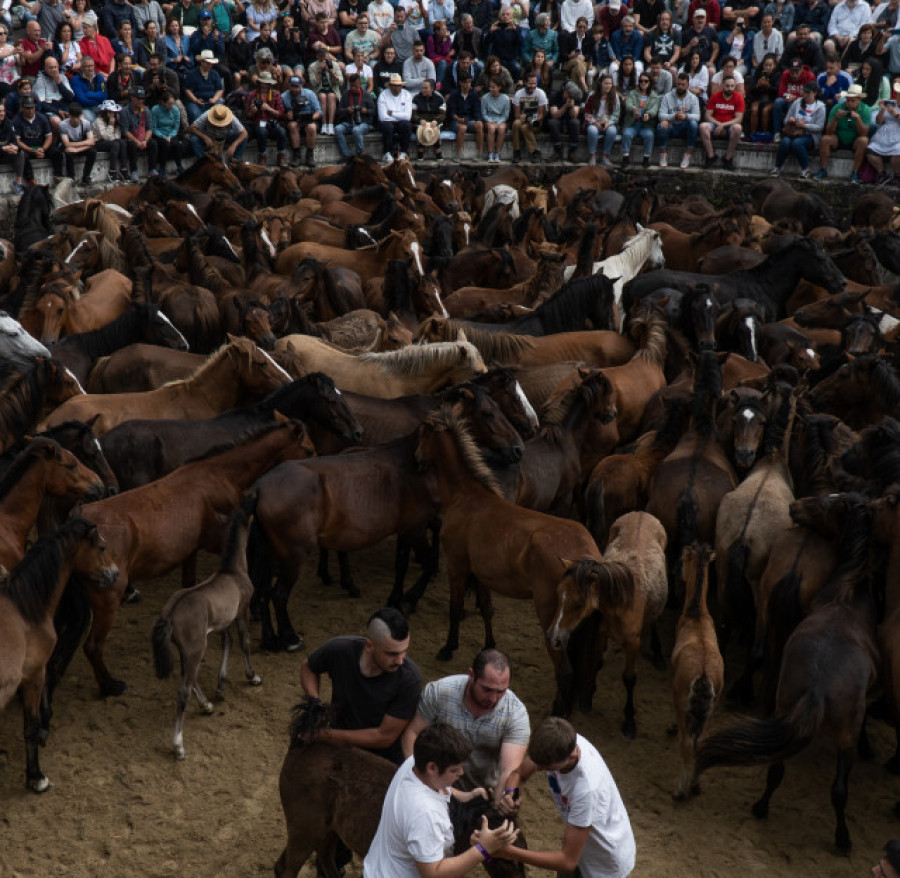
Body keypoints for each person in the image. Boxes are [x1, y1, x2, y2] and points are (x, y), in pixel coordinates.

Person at [363, 723, 520, 878]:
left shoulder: (414, 763)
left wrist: (465, 796)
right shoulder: (425, 814)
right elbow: (433, 873)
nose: (461, 772)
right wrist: (483, 849)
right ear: (432, 768)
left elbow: (438, 785)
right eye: (454, 769)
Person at [492, 717, 636, 878]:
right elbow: (520, 774)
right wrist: (510, 793)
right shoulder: (557, 743)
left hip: (603, 862)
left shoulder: (586, 789)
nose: (538, 768)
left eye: (546, 767)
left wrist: (509, 852)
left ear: (573, 755)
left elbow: (567, 861)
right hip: (579, 846)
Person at [401, 649, 530, 803]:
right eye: (487, 689)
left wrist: (505, 798)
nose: (493, 698)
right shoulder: (439, 692)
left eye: (501, 691)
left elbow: (508, 771)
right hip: (433, 785)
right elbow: (412, 734)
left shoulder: (516, 714)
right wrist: (422, 777)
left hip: (483, 794)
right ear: (472, 675)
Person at [301, 609, 422, 763]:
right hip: (339, 746)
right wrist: (315, 703)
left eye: (404, 652)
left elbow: (383, 737)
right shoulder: (340, 649)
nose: (400, 661)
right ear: (369, 646)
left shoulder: (409, 680)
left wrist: (323, 734)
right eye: (392, 654)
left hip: (382, 760)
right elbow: (309, 667)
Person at [816, 82, 870, 180]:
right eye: (848, 100)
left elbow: (864, 133)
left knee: (863, 141)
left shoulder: (866, 110)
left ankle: (855, 172)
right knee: (825, 139)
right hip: (838, 138)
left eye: (852, 101)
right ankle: (822, 169)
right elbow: (828, 131)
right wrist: (835, 119)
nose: (849, 103)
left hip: (855, 140)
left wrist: (858, 119)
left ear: (859, 100)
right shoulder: (837, 107)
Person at [771, 79, 824, 176]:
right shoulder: (797, 102)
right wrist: (790, 120)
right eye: (805, 92)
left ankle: (806, 169)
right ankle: (777, 167)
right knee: (785, 142)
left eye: (809, 93)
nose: (806, 95)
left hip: (810, 135)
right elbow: (785, 120)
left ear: (815, 93)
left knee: (797, 144)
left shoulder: (820, 107)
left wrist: (804, 125)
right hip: (794, 132)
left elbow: (819, 127)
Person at [12, 92, 63, 193]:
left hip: (41, 147)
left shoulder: (42, 118)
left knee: (56, 152)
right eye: (27, 108)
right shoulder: (16, 120)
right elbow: (17, 141)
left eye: (32, 107)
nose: (30, 110)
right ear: (22, 108)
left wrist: (43, 149)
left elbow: (49, 136)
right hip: (27, 148)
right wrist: (31, 150)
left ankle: (58, 177)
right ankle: (31, 181)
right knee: (22, 156)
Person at [699, 71, 744, 168]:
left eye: (732, 86)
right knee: (703, 126)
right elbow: (708, 115)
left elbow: (738, 119)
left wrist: (723, 125)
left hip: (729, 127)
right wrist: (718, 124)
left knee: (738, 128)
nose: (730, 89)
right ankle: (711, 156)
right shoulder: (715, 96)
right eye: (727, 86)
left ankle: (728, 158)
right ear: (723, 85)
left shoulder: (738, 97)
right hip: (715, 125)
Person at [657, 70, 701, 167]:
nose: (680, 87)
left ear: (687, 85)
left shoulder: (693, 98)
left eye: (683, 84)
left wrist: (686, 116)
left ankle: (687, 155)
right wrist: (673, 116)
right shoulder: (667, 97)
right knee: (662, 124)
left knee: (693, 124)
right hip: (671, 126)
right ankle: (663, 154)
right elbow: (661, 115)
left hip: (685, 126)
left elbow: (697, 116)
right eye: (678, 84)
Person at [245, 67, 288, 165]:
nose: (265, 84)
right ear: (260, 82)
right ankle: (262, 155)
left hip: (272, 123)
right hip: (258, 123)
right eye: (263, 82)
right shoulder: (252, 95)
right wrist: (252, 111)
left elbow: (281, 113)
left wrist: (269, 109)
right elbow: (247, 115)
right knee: (261, 132)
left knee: (281, 131)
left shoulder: (275, 94)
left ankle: (281, 155)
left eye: (267, 82)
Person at [621, 69, 658, 165]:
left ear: (650, 82)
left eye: (646, 81)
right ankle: (625, 156)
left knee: (649, 135)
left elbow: (655, 109)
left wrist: (649, 114)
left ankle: (646, 157)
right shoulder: (633, 93)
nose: (643, 83)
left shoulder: (654, 96)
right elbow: (628, 104)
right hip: (633, 123)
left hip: (646, 124)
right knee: (627, 134)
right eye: (641, 81)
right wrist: (633, 109)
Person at [865, 83, 900, 184]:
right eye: (898, 94)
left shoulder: (893, 109)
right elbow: (878, 121)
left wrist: (895, 113)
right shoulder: (891, 103)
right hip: (884, 133)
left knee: (898, 150)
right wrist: (882, 110)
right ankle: (881, 173)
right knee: (871, 150)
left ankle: (897, 175)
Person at [119, 84, 155, 179]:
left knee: (153, 144)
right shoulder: (125, 111)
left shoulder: (146, 110)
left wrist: (145, 141)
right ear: (132, 98)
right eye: (138, 98)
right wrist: (137, 142)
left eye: (142, 98)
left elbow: (149, 128)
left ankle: (152, 169)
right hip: (131, 138)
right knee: (132, 145)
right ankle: (134, 171)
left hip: (143, 138)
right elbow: (125, 131)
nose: (140, 101)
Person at [584, 72, 621, 165]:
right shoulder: (592, 95)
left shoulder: (614, 96)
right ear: (601, 83)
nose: (608, 86)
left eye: (610, 84)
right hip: (595, 122)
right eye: (606, 83)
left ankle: (605, 155)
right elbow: (587, 113)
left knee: (612, 131)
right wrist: (595, 123)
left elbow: (616, 114)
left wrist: (608, 123)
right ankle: (592, 155)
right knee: (592, 131)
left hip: (607, 122)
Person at [445, 69, 483, 159]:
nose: (467, 84)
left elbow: (477, 111)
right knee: (462, 128)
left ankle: (480, 153)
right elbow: (452, 113)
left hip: (469, 120)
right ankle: (458, 154)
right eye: (465, 82)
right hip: (456, 121)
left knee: (479, 125)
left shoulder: (473, 95)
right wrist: (459, 119)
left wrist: (478, 120)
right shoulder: (454, 95)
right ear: (460, 83)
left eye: (469, 82)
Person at [335, 69, 373, 157]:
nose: (353, 88)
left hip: (363, 122)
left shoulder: (366, 95)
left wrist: (365, 111)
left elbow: (373, 111)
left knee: (356, 130)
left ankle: (360, 154)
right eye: (351, 86)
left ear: (360, 84)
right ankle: (347, 156)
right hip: (349, 122)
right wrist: (347, 110)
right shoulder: (345, 95)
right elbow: (339, 111)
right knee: (338, 129)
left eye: (355, 86)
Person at [510, 70, 547, 161]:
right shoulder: (518, 94)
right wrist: (520, 117)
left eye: (534, 83)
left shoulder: (540, 93)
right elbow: (516, 114)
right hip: (523, 120)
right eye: (530, 84)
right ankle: (517, 152)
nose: (533, 86)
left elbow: (542, 114)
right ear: (525, 83)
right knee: (516, 123)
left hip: (536, 122)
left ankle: (534, 152)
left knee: (524, 128)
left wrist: (533, 120)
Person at [308, 43, 344, 133]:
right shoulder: (312, 67)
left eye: (326, 59)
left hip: (333, 90)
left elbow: (341, 81)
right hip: (319, 90)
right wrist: (319, 71)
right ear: (318, 58)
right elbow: (313, 83)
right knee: (322, 96)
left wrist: (331, 73)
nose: (324, 61)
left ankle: (330, 125)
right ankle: (324, 124)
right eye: (322, 59)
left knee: (331, 96)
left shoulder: (335, 65)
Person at [377, 70, 412, 159]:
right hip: (387, 123)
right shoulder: (383, 95)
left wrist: (392, 113)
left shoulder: (406, 94)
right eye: (394, 86)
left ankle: (404, 152)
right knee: (388, 126)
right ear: (390, 86)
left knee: (407, 125)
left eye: (398, 86)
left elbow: (407, 116)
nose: (396, 88)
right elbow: (383, 117)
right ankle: (386, 153)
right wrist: (400, 115)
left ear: (401, 86)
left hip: (400, 122)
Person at [58, 100, 96, 184]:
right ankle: (71, 177)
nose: (75, 120)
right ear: (69, 115)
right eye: (73, 117)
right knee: (68, 152)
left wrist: (78, 149)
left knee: (93, 152)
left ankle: (86, 176)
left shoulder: (86, 123)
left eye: (77, 117)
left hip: (78, 147)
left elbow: (92, 142)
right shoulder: (63, 125)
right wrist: (86, 142)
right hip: (70, 147)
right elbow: (67, 144)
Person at [184, 48, 223, 122]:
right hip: (196, 101)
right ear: (202, 62)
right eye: (208, 63)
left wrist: (214, 99)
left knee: (220, 110)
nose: (210, 65)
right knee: (195, 114)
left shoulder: (215, 73)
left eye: (211, 64)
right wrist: (195, 100)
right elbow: (188, 90)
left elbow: (219, 90)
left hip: (211, 100)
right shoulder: (192, 74)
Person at [548, 79, 583, 162]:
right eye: (569, 94)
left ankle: (572, 152)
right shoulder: (554, 96)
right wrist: (565, 106)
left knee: (575, 122)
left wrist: (571, 106)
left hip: (569, 124)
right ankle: (557, 151)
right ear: (565, 91)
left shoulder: (576, 97)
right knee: (552, 122)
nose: (570, 96)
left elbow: (574, 115)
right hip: (559, 123)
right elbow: (555, 115)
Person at [92, 97, 126, 180]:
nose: (112, 114)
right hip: (99, 142)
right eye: (110, 112)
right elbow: (105, 137)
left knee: (122, 143)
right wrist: (110, 124)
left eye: (113, 112)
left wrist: (113, 136)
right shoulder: (98, 121)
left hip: (111, 140)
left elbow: (118, 135)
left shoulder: (115, 119)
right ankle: (112, 171)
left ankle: (124, 169)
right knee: (115, 144)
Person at [412, 75, 444, 158]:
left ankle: (438, 150)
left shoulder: (439, 98)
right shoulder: (416, 98)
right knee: (421, 128)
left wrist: (436, 121)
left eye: (426, 88)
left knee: (435, 128)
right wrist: (419, 120)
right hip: (421, 120)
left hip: (435, 120)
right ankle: (420, 150)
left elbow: (443, 114)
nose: (423, 90)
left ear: (432, 89)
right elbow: (413, 114)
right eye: (422, 88)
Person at [745, 51, 778, 135]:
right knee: (754, 109)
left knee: (765, 110)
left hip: (772, 99)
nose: (767, 67)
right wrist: (757, 85)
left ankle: (764, 134)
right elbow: (751, 89)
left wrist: (768, 86)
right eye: (766, 65)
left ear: (774, 66)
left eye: (770, 65)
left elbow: (777, 91)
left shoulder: (778, 75)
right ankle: (753, 133)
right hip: (758, 98)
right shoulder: (758, 73)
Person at [480, 74, 509, 162]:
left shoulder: (506, 99)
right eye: (490, 87)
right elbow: (484, 113)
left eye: (493, 87)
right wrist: (490, 121)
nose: (491, 89)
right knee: (491, 129)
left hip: (501, 119)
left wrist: (498, 122)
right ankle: (490, 153)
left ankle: (498, 153)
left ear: (499, 87)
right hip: (489, 119)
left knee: (501, 129)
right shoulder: (485, 98)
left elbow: (505, 115)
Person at [70, 54, 106, 122]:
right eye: (87, 66)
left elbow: (104, 94)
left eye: (91, 66)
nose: (90, 68)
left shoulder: (100, 78)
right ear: (82, 67)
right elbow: (81, 100)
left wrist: (89, 94)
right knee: (91, 119)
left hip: (99, 106)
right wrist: (97, 99)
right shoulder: (76, 80)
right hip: (84, 107)